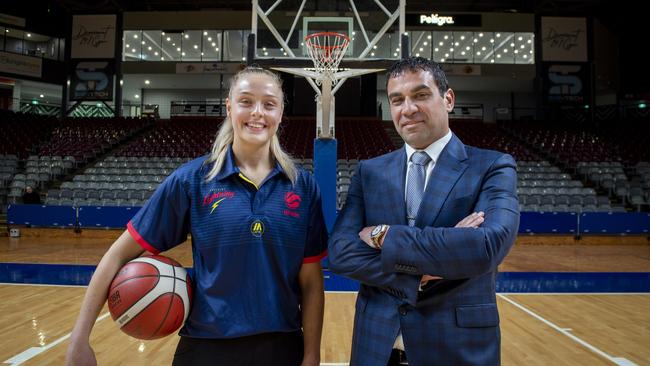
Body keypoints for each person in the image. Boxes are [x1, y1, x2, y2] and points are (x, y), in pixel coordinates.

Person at [65, 67, 328, 366]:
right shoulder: (192, 180)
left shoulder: (303, 186)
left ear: (280, 113)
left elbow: (311, 281)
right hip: (206, 345)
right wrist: (79, 339)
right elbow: (117, 256)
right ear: (229, 107)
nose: (257, 113)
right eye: (246, 101)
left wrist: (311, 354)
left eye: (269, 104)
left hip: (282, 346)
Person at [328, 57, 519, 366]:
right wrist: (425, 267)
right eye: (397, 100)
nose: (408, 108)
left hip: (456, 349)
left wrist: (384, 236)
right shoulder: (370, 172)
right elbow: (340, 252)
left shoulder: (492, 166)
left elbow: (486, 246)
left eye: (420, 95)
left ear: (448, 98)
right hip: (377, 349)